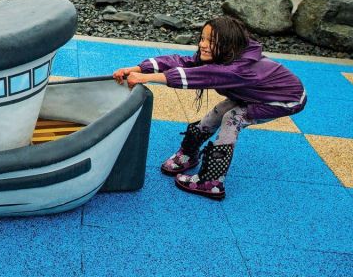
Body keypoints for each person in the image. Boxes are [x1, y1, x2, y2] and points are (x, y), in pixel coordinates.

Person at [112, 15, 306, 200]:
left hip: (284, 99)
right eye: (203, 38)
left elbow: (196, 76)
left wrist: (147, 78)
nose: (203, 45)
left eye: (211, 41)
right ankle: (189, 153)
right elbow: (183, 62)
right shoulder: (226, 54)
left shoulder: (238, 69)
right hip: (254, 93)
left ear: (229, 44)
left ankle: (212, 182)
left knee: (232, 118)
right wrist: (138, 68)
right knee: (218, 113)